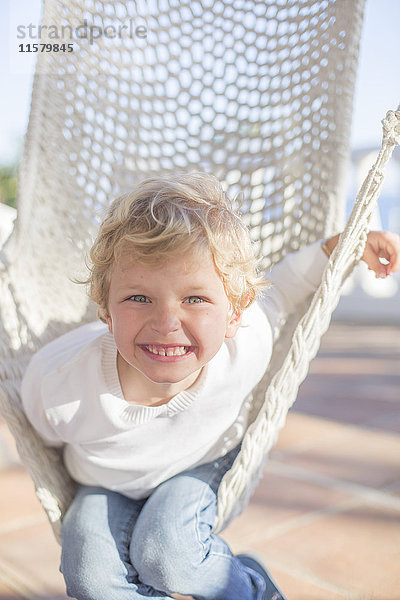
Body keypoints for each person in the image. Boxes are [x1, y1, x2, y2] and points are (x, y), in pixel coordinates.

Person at [21, 172, 400, 600]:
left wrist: (339, 247)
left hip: (202, 457)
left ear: (235, 313)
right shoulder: (61, 382)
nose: (166, 325)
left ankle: (254, 590)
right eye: (138, 298)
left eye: (195, 299)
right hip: (106, 480)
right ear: (105, 312)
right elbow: (44, 431)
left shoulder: (245, 344)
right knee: (90, 576)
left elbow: (284, 289)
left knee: (169, 555)